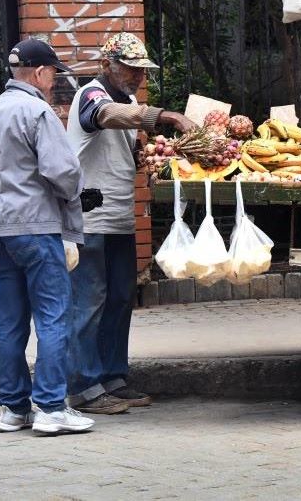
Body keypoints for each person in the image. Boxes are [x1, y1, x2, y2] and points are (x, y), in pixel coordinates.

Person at [66, 32, 196, 414]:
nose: (138, 76)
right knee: (88, 301)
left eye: (142, 70)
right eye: (130, 67)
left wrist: (154, 158)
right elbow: (103, 117)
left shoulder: (127, 101)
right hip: (90, 220)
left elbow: (125, 150)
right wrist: (165, 116)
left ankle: (111, 378)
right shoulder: (91, 94)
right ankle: (82, 387)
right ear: (107, 65)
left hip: (120, 218)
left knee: (121, 299)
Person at [0, 38, 94, 435]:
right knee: (53, 315)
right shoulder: (37, 111)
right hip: (35, 227)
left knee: (10, 322)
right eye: (53, 73)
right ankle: (51, 406)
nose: (53, 80)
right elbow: (61, 171)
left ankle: (13, 409)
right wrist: (77, 193)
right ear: (40, 73)